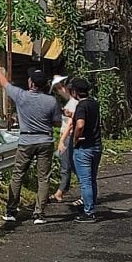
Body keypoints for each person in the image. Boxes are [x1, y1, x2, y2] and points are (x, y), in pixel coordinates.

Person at [0, 65, 62, 225]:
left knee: (18, 174)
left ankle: (11, 211)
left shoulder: (21, 96)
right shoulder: (51, 101)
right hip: (45, 140)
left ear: (31, 83)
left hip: (26, 141)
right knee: (43, 178)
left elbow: (4, 84)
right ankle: (39, 214)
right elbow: (57, 122)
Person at [71, 77, 103, 222]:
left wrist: (76, 139)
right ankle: (92, 206)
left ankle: (89, 212)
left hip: (84, 147)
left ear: (75, 92)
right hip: (96, 145)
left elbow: (80, 124)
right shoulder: (94, 103)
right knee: (92, 179)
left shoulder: (81, 106)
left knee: (85, 181)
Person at [51, 75, 79, 203]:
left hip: (68, 137)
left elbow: (70, 124)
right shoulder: (71, 101)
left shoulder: (73, 103)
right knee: (70, 165)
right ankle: (61, 190)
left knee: (67, 165)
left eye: (58, 88)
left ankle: (61, 192)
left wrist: (62, 140)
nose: (58, 92)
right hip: (67, 137)